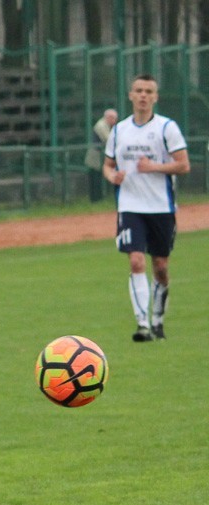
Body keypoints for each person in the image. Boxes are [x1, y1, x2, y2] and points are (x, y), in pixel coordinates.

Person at [103, 74, 189, 342]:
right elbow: (107, 165)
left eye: (148, 91)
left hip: (161, 207)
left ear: (155, 97)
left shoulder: (167, 128)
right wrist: (112, 176)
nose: (143, 95)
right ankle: (142, 325)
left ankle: (158, 320)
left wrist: (154, 167)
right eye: (139, 90)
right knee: (136, 260)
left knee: (160, 266)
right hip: (130, 206)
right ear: (130, 95)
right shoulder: (119, 130)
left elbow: (183, 165)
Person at [86, 108, 118, 202]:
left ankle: (98, 198)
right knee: (95, 176)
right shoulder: (101, 125)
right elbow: (108, 139)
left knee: (98, 176)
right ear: (109, 117)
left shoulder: (107, 126)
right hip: (95, 155)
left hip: (100, 155)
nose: (115, 121)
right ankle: (95, 198)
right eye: (114, 119)